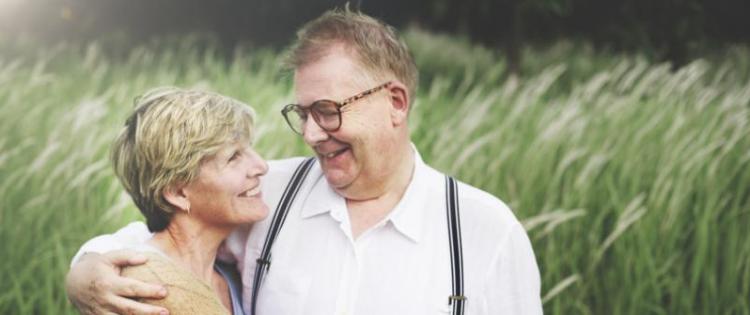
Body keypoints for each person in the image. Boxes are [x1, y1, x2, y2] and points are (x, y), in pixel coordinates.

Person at [65, 8, 543, 315]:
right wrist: (84, 271)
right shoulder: (268, 193)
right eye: (303, 113)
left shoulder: (485, 230)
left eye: (328, 112)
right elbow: (159, 234)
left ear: (395, 102)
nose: (312, 135)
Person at [67, 87, 268, 315]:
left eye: (249, 149)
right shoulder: (146, 288)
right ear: (178, 193)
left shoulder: (232, 273)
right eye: (234, 157)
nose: (261, 166)